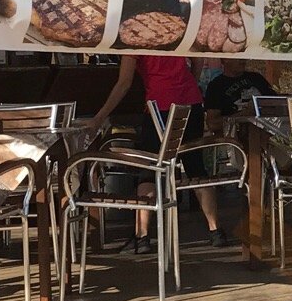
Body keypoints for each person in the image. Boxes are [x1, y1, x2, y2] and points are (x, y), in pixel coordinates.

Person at [82, 54, 225, 249]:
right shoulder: (175, 30)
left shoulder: (133, 40)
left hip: (159, 105)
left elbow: (124, 83)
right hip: (190, 101)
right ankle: (215, 230)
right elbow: (198, 60)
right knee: (194, 164)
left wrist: (99, 118)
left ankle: (142, 236)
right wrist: (188, 80)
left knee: (149, 167)